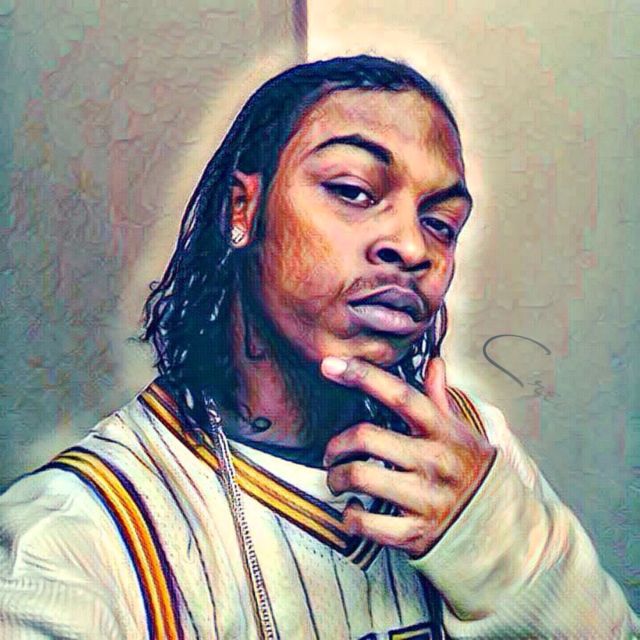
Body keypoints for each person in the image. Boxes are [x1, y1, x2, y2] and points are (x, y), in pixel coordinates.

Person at [0, 55, 637, 640]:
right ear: (242, 209)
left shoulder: (469, 450)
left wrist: (493, 543)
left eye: (440, 223)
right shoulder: (75, 538)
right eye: (354, 190)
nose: (413, 247)